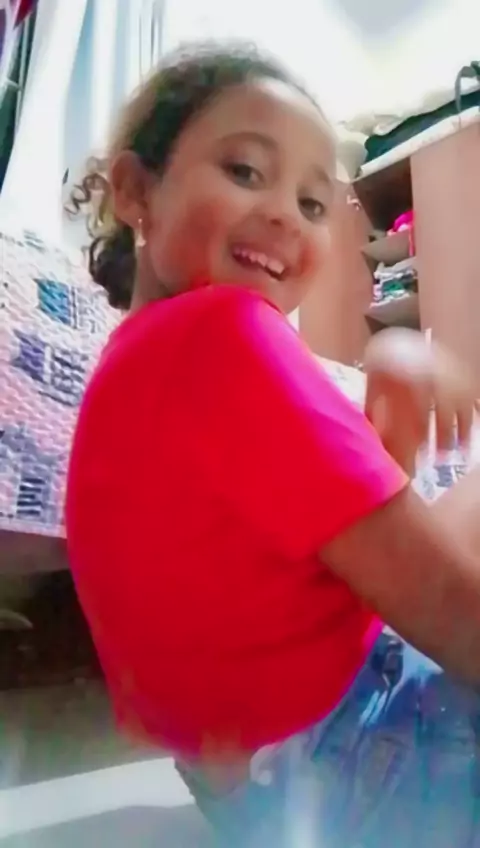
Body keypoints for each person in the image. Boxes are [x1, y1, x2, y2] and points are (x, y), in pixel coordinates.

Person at [66, 42, 480, 847]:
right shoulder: (224, 334)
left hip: (254, 796)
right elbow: (450, 611)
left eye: (314, 203)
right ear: (137, 189)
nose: (288, 214)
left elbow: (330, 571)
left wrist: (390, 403)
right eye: (246, 171)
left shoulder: (130, 369)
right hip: (365, 763)